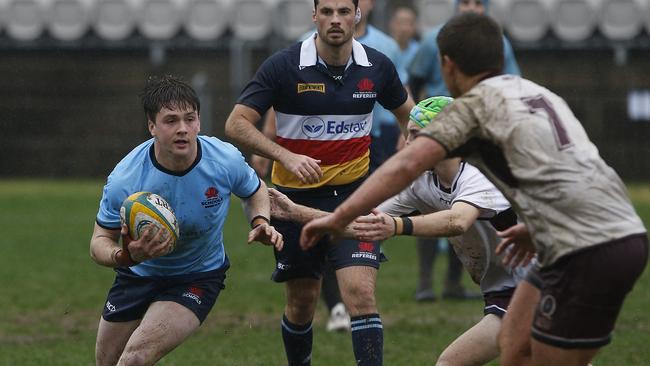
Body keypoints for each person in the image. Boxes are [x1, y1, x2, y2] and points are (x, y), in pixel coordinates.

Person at [301, 12, 648, 366]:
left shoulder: (474, 108)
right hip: (596, 234)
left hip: (589, 245)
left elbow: (405, 165)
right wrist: (537, 224)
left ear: (448, 66)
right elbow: (577, 171)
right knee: (514, 350)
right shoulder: (538, 94)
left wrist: (340, 216)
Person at [268, 95, 531, 365]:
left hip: (541, 286)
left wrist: (396, 226)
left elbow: (457, 221)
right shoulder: (421, 182)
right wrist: (293, 212)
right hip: (506, 293)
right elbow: (362, 222)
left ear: (448, 137)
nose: (407, 145)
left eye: (416, 136)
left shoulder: (477, 173)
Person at [224, 0, 415, 363]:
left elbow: (409, 114)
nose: (335, 20)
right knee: (302, 302)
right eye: (326, 11)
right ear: (314, 16)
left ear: (357, 15)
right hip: (293, 202)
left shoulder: (377, 66)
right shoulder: (284, 65)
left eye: (344, 11)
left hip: (354, 198)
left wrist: (418, 144)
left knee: (360, 294)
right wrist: (284, 155)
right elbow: (236, 123)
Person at [90, 75, 283, 366]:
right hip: (137, 275)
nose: (182, 129)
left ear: (199, 122)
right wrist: (125, 255)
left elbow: (255, 190)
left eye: (189, 119)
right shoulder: (126, 178)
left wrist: (260, 222)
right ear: (151, 126)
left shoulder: (224, 160)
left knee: (134, 359)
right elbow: (98, 242)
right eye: (170, 121)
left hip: (197, 275)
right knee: (108, 362)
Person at [407, 0, 520, 302]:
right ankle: (424, 282)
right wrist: (416, 128)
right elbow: (413, 81)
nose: (472, 8)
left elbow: (509, 85)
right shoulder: (435, 39)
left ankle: (458, 283)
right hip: (432, 129)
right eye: (466, 2)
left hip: (473, 137)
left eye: (477, 3)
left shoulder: (499, 42)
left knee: (466, 205)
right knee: (429, 199)